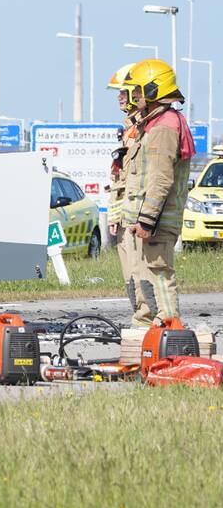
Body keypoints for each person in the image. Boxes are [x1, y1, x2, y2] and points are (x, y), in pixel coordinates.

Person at [120, 59, 195, 325]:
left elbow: (161, 179)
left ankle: (170, 329)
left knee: (159, 273)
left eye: (137, 90)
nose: (133, 96)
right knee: (145, 275)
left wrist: (147, 220)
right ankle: (149, 331)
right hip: (150, 218)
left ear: (153, 90)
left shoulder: (164, 126)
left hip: (158, 220)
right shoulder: (154, 123)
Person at [105, 63, 149, 325]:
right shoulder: (130, 128)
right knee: (128, 272)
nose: (120, 97)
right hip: (124, 210)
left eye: (125, 91)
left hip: (135, 212)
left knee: (137, 269)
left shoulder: (143, 130)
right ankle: (140, 316)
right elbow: (120, 177)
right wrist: (114, 212)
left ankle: (145, 320)